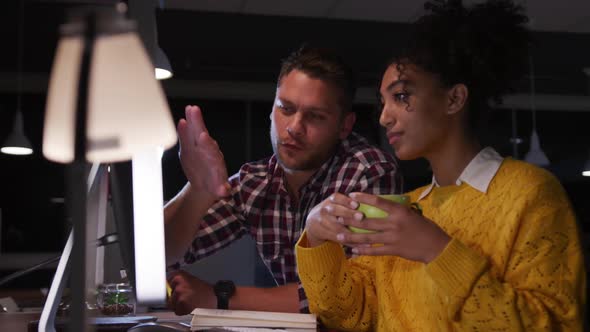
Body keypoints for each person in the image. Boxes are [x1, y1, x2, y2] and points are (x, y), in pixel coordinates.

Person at [296, 1, 586, 331]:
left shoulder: (529, 192)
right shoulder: (413, 207)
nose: (384, 116)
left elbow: (554, 325)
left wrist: (437, 250)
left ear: (454, 99)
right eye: (383, 101)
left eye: (402, 96)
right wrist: (317, 238)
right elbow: (351, 316)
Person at [164, 45, 402, 315]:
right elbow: (159, 254)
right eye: (286, 109)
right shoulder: (255, 182)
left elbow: (355, 296)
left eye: (315, 116)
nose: (294, 128)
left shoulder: (367, 171)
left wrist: (220, 297)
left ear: (344, 126)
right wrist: (196, 192)